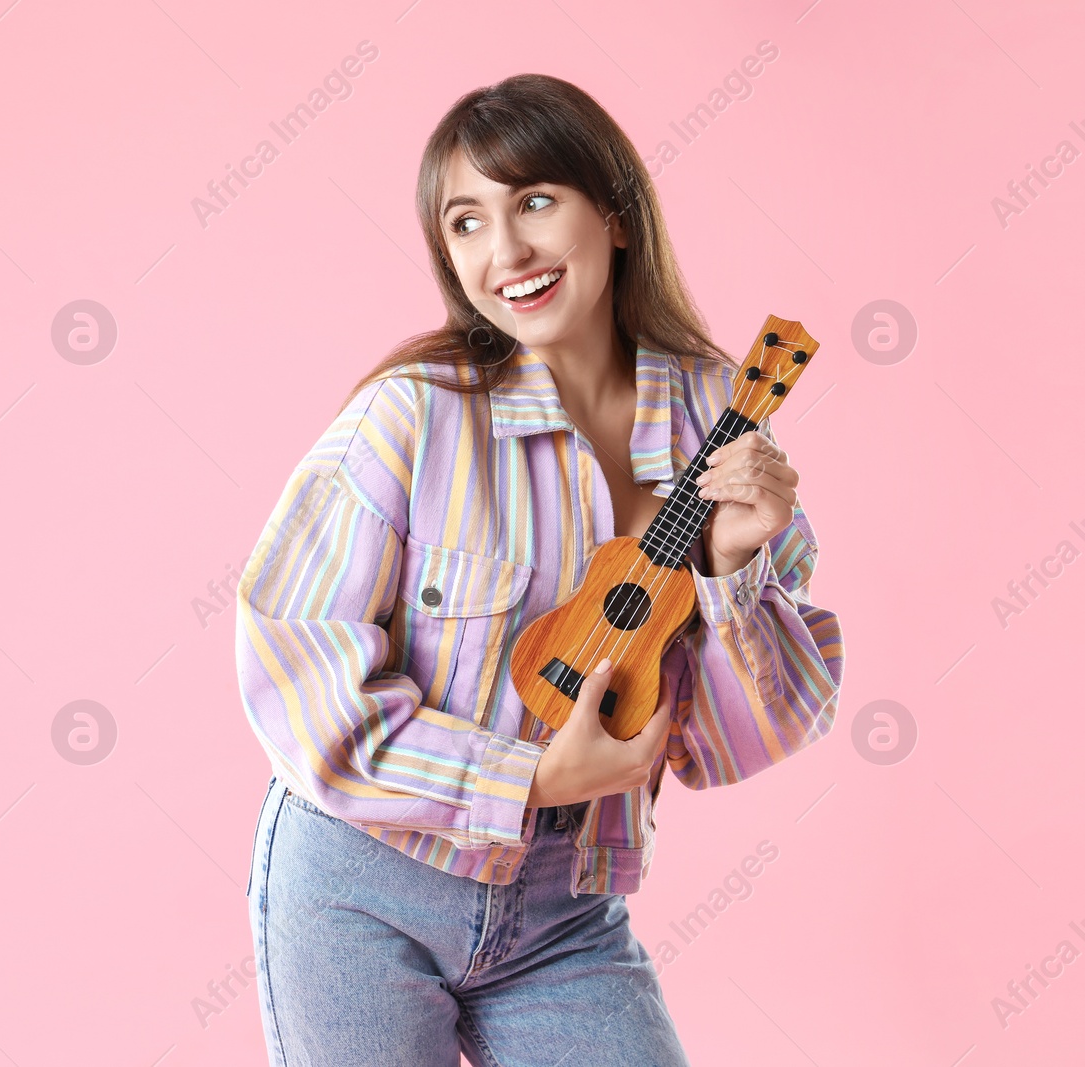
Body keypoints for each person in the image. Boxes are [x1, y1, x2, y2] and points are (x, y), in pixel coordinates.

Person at [233, 73, 846, 1066]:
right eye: (465, 222)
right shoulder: (413, 416)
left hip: (563, 906)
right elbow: (295, 668)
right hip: (363, 881)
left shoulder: (714, 417)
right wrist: (521, 773)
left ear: (610, 212)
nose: (505, 252)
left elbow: (745, 741)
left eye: (532, 201)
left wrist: (731, 571)